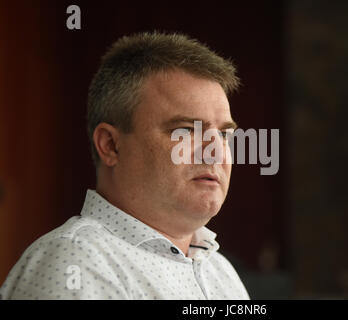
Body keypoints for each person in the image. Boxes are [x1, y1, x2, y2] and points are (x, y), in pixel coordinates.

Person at [0, 32, 249, 300]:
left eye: (224, 135)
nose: (215, 153)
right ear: (111, 145)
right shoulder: (76, 263)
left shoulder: (220, 271)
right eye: (185, 130)